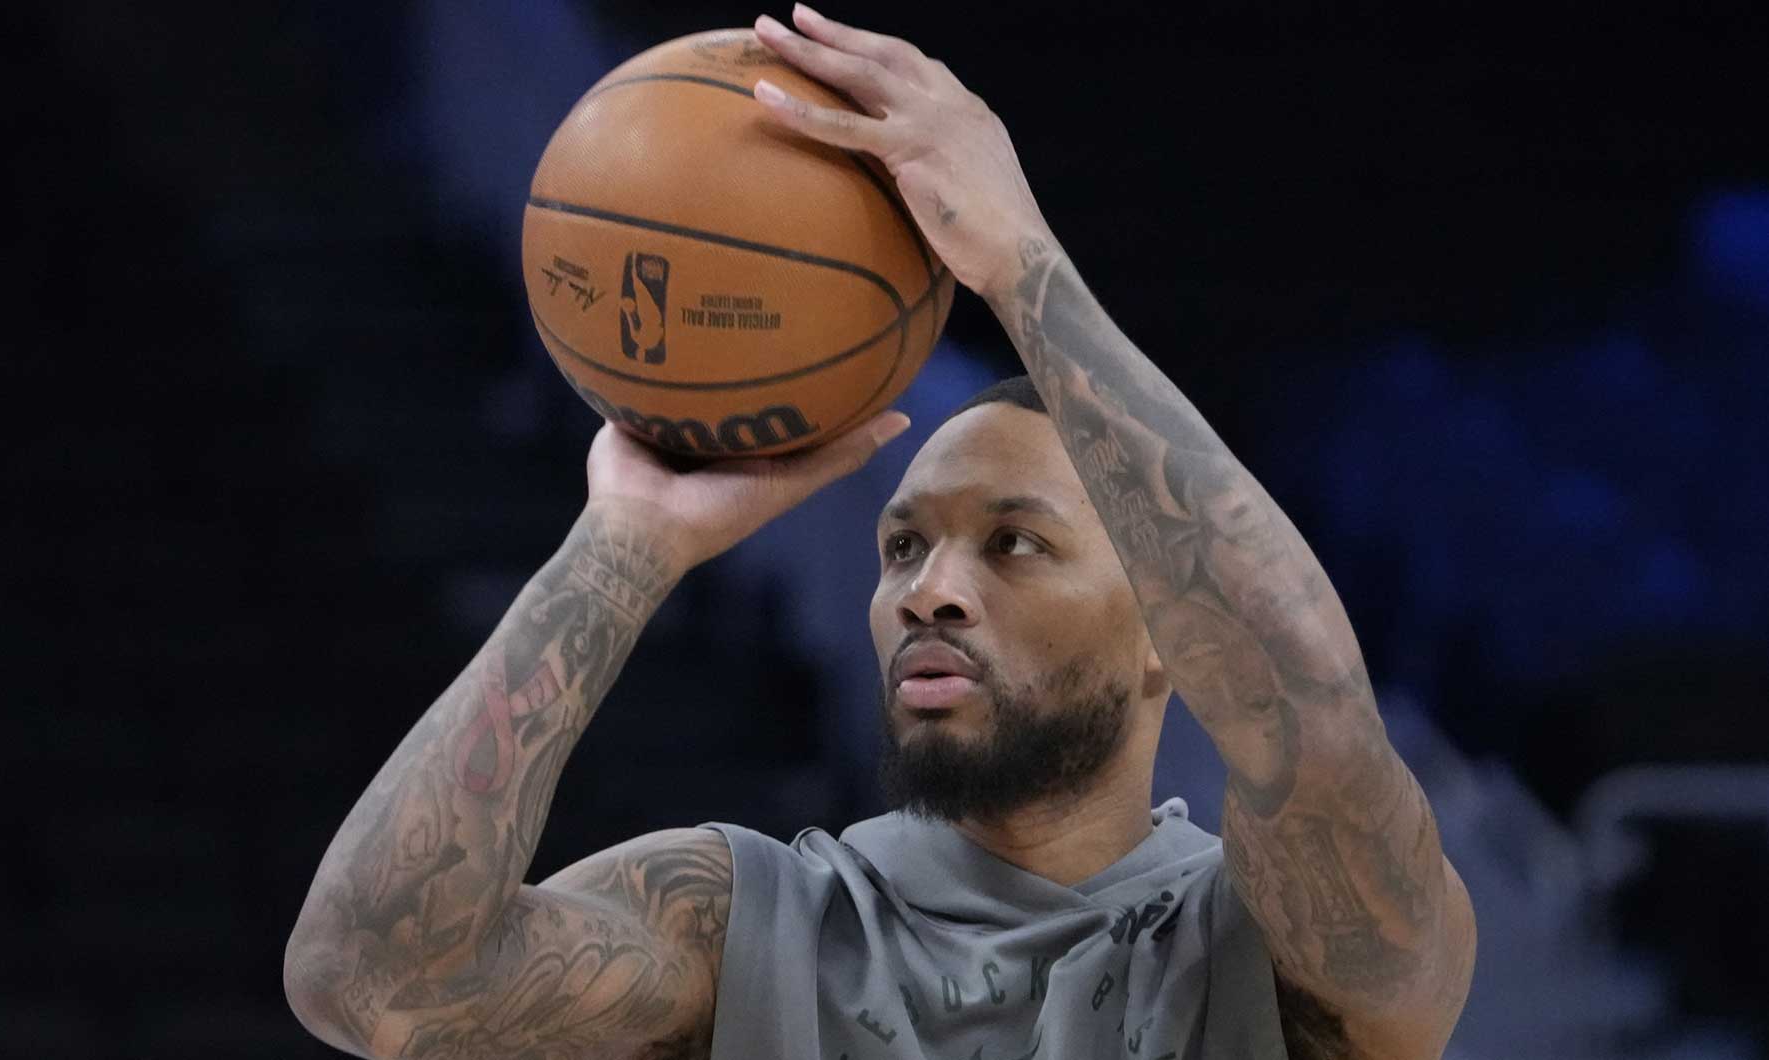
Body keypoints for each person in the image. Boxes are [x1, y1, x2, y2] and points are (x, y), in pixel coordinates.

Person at [282, 6, 1476, 1059]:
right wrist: (628, 543)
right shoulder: (743, 923)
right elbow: (366, 980)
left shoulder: (1266, 942)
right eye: (903, 546)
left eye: (1014, 543)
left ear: (1169, 623)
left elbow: (1317, 722)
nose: (929, 590)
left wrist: (1023, 266)